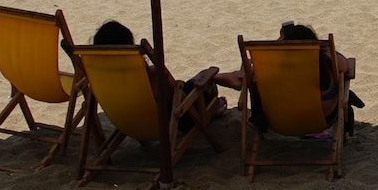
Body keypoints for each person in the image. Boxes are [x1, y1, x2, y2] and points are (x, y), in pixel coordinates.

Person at [216, 21, 363, 134]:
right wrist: (323, 49)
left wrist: (214, 77)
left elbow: (237, 81)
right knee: (340, 80)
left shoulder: (269, 68)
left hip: (280, 121)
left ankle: (256, 120)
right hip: (322, 119)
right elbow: (345, 66)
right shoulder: (325, 62)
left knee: (252, 81)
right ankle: (349, 99)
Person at [92, 19, 228, 120]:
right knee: (206, 80)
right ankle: (211, 110)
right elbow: (177, 99)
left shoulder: (99, 78)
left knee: (198, 78)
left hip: (128, 121)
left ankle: (218, 80)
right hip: (172, 121)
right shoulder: (150, 76)